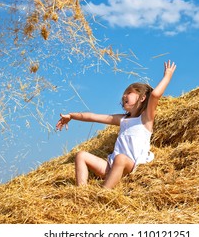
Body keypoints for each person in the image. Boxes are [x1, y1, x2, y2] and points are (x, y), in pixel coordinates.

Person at [56, 60, 176, 188]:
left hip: (130, 166)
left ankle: (103, 193)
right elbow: (94, 117)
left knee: (121, 158)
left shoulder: (146, 119)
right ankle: (82, 191)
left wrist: (167, 76)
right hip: (111, 166)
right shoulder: (122, 119)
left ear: (142, 98)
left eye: (129, 92)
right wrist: (72, 116)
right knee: (81, 155)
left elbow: (155, 95)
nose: (124, 95)